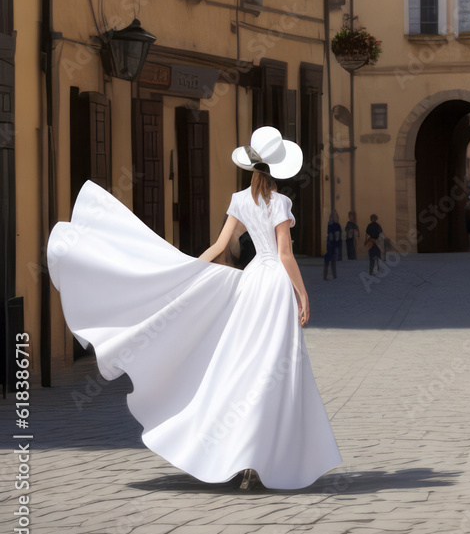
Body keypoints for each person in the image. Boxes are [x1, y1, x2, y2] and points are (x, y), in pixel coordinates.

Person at [47, 126, 341, 490]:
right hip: (275, 285)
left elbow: (220, 245)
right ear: (278, 168)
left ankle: (243, 457)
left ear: (251, 165)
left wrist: (190, 272)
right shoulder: (279, 203)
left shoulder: (239, 199)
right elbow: (283, 254)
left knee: (247, 364)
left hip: (251, 285)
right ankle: (266, 458)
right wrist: (302, 292)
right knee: (277, 367)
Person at [324, 211, 342, 280]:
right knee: (332, 261)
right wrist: (336, 244)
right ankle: (333, 275)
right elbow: (336, 236)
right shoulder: (336, 225)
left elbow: (329, 234)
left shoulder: (330, 225)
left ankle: (328, 276)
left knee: (329, 261)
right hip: (333, 245)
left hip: (330, 245)